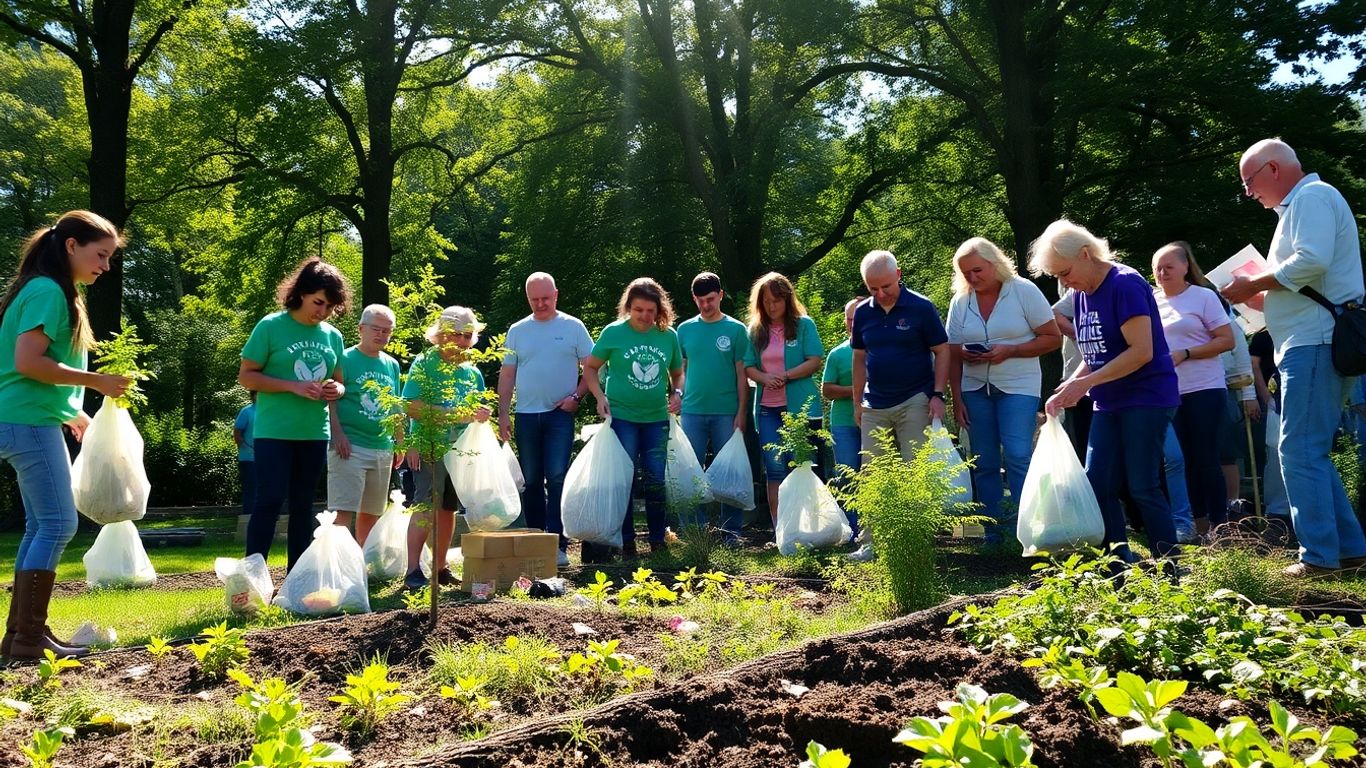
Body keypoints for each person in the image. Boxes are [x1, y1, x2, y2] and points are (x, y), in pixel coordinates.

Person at [1222, 139, 1366, 577]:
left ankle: (1319, 558)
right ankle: (1349, 549)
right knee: (1311, 452)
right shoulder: (1301, 206)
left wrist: (1251, 287)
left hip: (1315, 343)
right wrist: (1265, 298)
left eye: (1249, 182)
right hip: (1309, 342)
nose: (1248, 193)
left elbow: (1310, 261)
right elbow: (1307, 278)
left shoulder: (1312, 197)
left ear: (1272, 169)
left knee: (1299, 451)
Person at [0, 211, 130, 660]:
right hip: (26, 421)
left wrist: (72, 410)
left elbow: (38, 369)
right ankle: (29, 639)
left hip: (29, 417)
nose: (105, 266)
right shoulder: (46, 290)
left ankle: (21, 635)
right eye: (101, 255)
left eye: (110, 258)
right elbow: (27, 363)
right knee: (58, 523)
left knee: (42, 525)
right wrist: (97, 384)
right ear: (71, 245)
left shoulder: (51, 289)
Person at [1032, 219, 1180, 564]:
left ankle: (1169, 566)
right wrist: (1072, 385)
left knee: (1142, 485)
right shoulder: (1081, 294)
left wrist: (1086, 383)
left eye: (1064, 272)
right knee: (1096, 483)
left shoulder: (1125, 284)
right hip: (1108, 401)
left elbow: (1140, 351)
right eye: (1057, 276)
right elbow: (1096, 353)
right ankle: (1118, 565)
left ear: (1086, 254)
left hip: (1146, 397)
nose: (1063, 282)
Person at [240, 258, 349, 572]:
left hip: (314, 432)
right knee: (270, 500)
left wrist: (334, 390)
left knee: (303, 507)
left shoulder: (332, 336)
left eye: (330, 307)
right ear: (300, 292)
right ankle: (253, 580)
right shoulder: (271, 326)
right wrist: (292, 386)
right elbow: (247, 376)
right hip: (274, 431)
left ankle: (296, 581)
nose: (323, 312)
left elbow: (340, 383)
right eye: (318, 302)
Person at [946, 238, 1060, 536]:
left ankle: (1026, 530)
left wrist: (1011, 350)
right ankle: (994, 534)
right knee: (983, 461)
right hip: (974, 387)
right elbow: (950, 352)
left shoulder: (1023, 290)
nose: (972, 278)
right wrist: (956, 398)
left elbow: (1052, 338)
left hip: (1018, 385)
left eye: (977, 270)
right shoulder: (961, 301)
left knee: (1017, 454)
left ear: (995, 263)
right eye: (965, 273)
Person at [582, 278, 684, 558]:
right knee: (623, 479)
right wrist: (599, 397)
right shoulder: (614, 333)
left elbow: (678, 372)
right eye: (639, 310)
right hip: (622, 416)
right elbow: (590, 368)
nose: (645, 316)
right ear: (628, 307)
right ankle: (625, 541)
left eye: (650, 311)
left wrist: (677, 392)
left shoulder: (668, 335)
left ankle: (657, 540)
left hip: (656, 419)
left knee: (655, 480)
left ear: (659, 310)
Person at [498, 272, 594, 567]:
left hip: (559, 416)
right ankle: (535, 539)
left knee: (556, 476)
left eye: (546, 298)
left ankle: (558, 543)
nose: (540, 304)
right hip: (525, 414)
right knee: (531, 480)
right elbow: (508, 374)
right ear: (528, 298)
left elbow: (592, 367)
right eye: (534, 299)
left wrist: (576, 398)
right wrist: (503, 413)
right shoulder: (517, 330)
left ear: (556, 295)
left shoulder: (573, 326)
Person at [401, 306, 491, 589]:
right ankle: (413, 570)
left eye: (469, 335)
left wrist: (481, 414)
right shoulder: (425, 363)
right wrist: (455, 414)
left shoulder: (472, 373)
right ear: (441, 335)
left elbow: (474, 411)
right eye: (458, 335)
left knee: (448, 510)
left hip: (460, 453)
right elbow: (411, 406)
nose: (464, 341)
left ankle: (440, 568)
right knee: (426, 505)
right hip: (430, 446)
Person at [1151, 241, 1234, 532]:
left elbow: (1227, 340)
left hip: (1204, 388)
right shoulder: (1151, 301)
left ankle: (1218, 525)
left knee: (1205, 457)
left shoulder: (1203, 297)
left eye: (1168, 267)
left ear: (1186, 267)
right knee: (1180, 459)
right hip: (1167, 393)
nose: (1162, 273)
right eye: (1157, 269)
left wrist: (1186, 353)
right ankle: (1195, 524)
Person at [742, 272, 824, 525]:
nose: (771, 306)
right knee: (774, 467)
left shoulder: (804, 325)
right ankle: (781, 527)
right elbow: (748, 366)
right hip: (768, 408)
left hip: (799, 408)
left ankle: (807, 524)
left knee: (800, 464)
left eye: (776, 300)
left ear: (787, 300)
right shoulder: (756, 331)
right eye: (766, 301)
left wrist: (786, 375)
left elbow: (814, 361)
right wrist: (765, 379)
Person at [852, 251, 949, 461]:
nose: (880, 294)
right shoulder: (861, 312)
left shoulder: (921, 307)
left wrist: (938, 394)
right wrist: (857, 403)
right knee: (873, 473)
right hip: (873, 403)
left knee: (916, 468)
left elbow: (942, 351)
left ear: (898, 274)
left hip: (915, 399)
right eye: (873, 288)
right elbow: (859, 358)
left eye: (885, 286)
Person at [676, 272, 751, 543]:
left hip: (727, 412)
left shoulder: (736, 330)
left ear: (721, 295)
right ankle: (693, 531)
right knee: (690, 471)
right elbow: (679, 371)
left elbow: (743, 374)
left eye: (711, 299)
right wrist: (677, 395)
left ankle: (731, 532)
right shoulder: (684, 330)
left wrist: (742, 412)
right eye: (700, 301)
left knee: (729, 473)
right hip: (692, 412)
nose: (706, 305)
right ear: (694, 300)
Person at [327, 304, 402, 546]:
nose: (382, 335)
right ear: (361, 329)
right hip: (350, 445)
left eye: (387, 331)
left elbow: (396, 406)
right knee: (343, 510)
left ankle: (359, 563)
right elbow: (330, 399)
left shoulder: (391, 364)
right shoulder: (343, 359)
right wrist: (337, 434)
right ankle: (338, 564)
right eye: (376, 329)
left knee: (371, 512)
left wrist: (400, 441)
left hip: (382, 447)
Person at [822, 297, 862, 536]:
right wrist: (856, 391)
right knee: (847, 476)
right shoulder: (837, 354)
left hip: (875, 422)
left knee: (872, 475)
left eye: (857, 318)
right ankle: (851, 530)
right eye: (849, 319)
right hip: (843, 423)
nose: (853, 323)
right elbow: (827, 390)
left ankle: (873, 531)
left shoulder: (880, 351)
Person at [1052, 287, 1092, 461]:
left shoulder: (1121, 283)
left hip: (1112, 386)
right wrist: (1076, 333)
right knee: (1081, 449)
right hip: (1075, 378)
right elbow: (1053, 313)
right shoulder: (1076, 291)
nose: (1065, 280)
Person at [233, 392, 257, 521]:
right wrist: (246, 448)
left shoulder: (271, 411)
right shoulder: (246, 411)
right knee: (251, 489)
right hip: (248, 459)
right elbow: (237, 433)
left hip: (268, 458)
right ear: (253, 396)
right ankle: (248, 519)